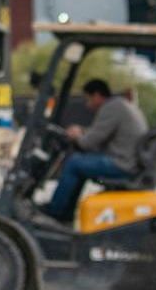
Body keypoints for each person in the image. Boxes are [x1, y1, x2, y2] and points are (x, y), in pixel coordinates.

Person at [41, 79, 148, 225]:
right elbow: (100, 132)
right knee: (81, 164)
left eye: (88, 99)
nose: (87, 105)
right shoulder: (121, 105)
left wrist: (76, 135)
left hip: (122, 164)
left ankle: (55, 211)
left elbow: (88, 142)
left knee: (74, 163)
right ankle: (66, 214)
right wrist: (82, 131)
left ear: (97, 95)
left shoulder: (112, 108)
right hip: (128, 160)